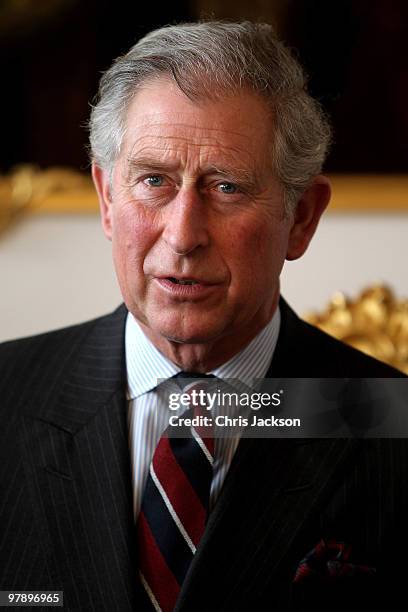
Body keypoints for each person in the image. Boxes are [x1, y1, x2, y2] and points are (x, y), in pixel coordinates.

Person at [0, 20, 405, 612]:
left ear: (301, 219)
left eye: (228, 188)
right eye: (154, 180)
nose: (183, 235)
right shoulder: (8, 394)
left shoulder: (387, 425)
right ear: (108, 198)